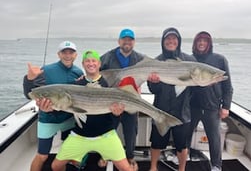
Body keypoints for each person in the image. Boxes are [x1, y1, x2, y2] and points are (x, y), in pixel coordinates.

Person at [51, 50, 137, 171]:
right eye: (87, 61)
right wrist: (50, 109)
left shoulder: (108, 84)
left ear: (99, 64)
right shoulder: (76, 84)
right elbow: (64, 109)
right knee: (56, 166)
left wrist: (117, 114)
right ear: (83, 64)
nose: (91, 63)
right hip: (80, 136)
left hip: (106, 134)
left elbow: (114, 117)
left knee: (126, 168)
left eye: (93, 60)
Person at [23, 41, 83, 171]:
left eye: (71, 52)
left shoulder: (78, 72)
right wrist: (28, 79)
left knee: (68, 154)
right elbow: (30, 94)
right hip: (48, 119)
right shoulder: (47, 70)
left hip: (69, 119)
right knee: (42, 155)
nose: (67, 55)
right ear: (58, 54)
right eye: (64, 52)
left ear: (76, 55)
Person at [147, 27, 196, 171]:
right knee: (156, 142)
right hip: (161, 110)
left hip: (182, 112)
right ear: (163, 41)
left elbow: (195, 88)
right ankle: (153, 167)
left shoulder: (189, 60)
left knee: (182, 145)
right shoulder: (156, 61)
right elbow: (152, 90)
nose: (171, 41)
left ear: (179, 41)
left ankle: (181, 169)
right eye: (168, 39)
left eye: (174, 38)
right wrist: (154, 82)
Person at [188, 31, 233, 171]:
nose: (201, 43)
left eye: (205, 41)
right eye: (199, 41)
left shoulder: (220, 60)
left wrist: (226, 106)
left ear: (209, 43)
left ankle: (216, 165)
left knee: (214, 139)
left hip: (212, 107)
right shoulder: (189, 59)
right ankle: (183, 157)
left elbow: (228, 86)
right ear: (195, 43)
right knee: (185, 135)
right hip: (192, 106)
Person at [100, 28, 144, 169]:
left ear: (134, 42)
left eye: (130, 39)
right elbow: (96, 74)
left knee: (131, 131)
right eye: (124, 39)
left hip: (131, 100)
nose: (127, 42)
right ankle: (105, 155)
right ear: (119, 41)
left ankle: (130, 156)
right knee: (107, 129)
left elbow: (146, 76)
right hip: (111, 100)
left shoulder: (140, 59)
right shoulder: (107, 57)